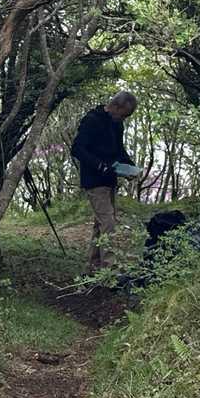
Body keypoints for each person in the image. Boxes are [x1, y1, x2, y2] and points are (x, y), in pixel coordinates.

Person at [70, 90, 138, 275]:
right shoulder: (92, 120)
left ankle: (92, 267)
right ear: (115, 106)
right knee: (108, 223)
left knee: (101, 224)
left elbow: (119, 150)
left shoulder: (117, 124)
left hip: (110, 180)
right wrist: (100, 165)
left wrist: (130, 167)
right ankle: (110, 269)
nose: (123, 119)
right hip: (94, 180)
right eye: (123, 115)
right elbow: (77, 149)